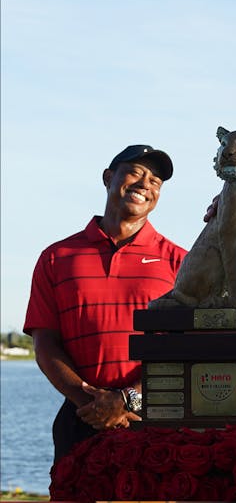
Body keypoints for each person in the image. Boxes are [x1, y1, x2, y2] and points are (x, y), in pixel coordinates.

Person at [23, 145, 187, 462]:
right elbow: (46, 345)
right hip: (81, 418)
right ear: (108, 178)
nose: (145, 184)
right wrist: (94, 406)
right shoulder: (56, 257)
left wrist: (128, 400)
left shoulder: (180, 263)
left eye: (155, 181)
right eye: (136, 173)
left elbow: (188, 351)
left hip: (156, 420)